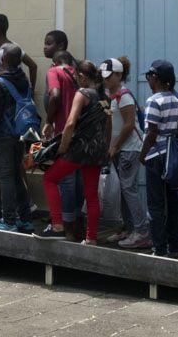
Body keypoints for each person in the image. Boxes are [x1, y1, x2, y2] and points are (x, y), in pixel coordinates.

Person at [39, 60, 110, 243]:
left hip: (79, 150)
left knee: (49, 178)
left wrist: (62, 148)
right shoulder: (104, 98)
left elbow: (70, 123)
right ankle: (91, 238)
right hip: (97, 152)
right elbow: (107, 127)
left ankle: (57, 226)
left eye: (77, 78)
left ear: (82, 77)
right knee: (91, 194)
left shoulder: (82, 93)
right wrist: (106, 148)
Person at [98, 57, 150, 249]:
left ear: (119, 75)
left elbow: (129, 125)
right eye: (104, 76)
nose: (105, 80)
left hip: (129, 149)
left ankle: (142, 232)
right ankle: (129, 228)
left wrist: (114, 146)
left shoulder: (124, 96)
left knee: (129, 188)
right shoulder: (110, 95)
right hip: (120, 149)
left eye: (109, 76)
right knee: (125, 189)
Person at [0, 43, 35, 233]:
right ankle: (25, 218)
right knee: (16, 175)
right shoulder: (24, 80)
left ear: (3, 60)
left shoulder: (0, 83)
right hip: (20, 133)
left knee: (5, 176)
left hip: (2, 135)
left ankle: (9, 220)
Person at [137, 59, 178, 257]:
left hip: (156, 155)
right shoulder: (176, 99)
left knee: (156, 204)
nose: (148, 80)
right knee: (173, 202)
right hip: (173, 155)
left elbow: (152, 132)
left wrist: (143, 155)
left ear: (155, 78)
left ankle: (159, 247)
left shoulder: (154, 101)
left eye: (149, 76)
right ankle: (176, 246)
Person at [42, 35, 82, 239]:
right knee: (77, 180)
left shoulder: (54, 71)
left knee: (60, 179)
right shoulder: (78, 74)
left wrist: (48, 121)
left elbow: (55, 95)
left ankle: (62, 227)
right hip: (81, 134)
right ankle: (74, 224)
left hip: (63, 132)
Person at [0, 13, 37, 87]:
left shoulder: (4, 51)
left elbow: (9, 75)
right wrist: (31, 90)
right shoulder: (14, 45)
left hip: (11, 93)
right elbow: (33, 66)